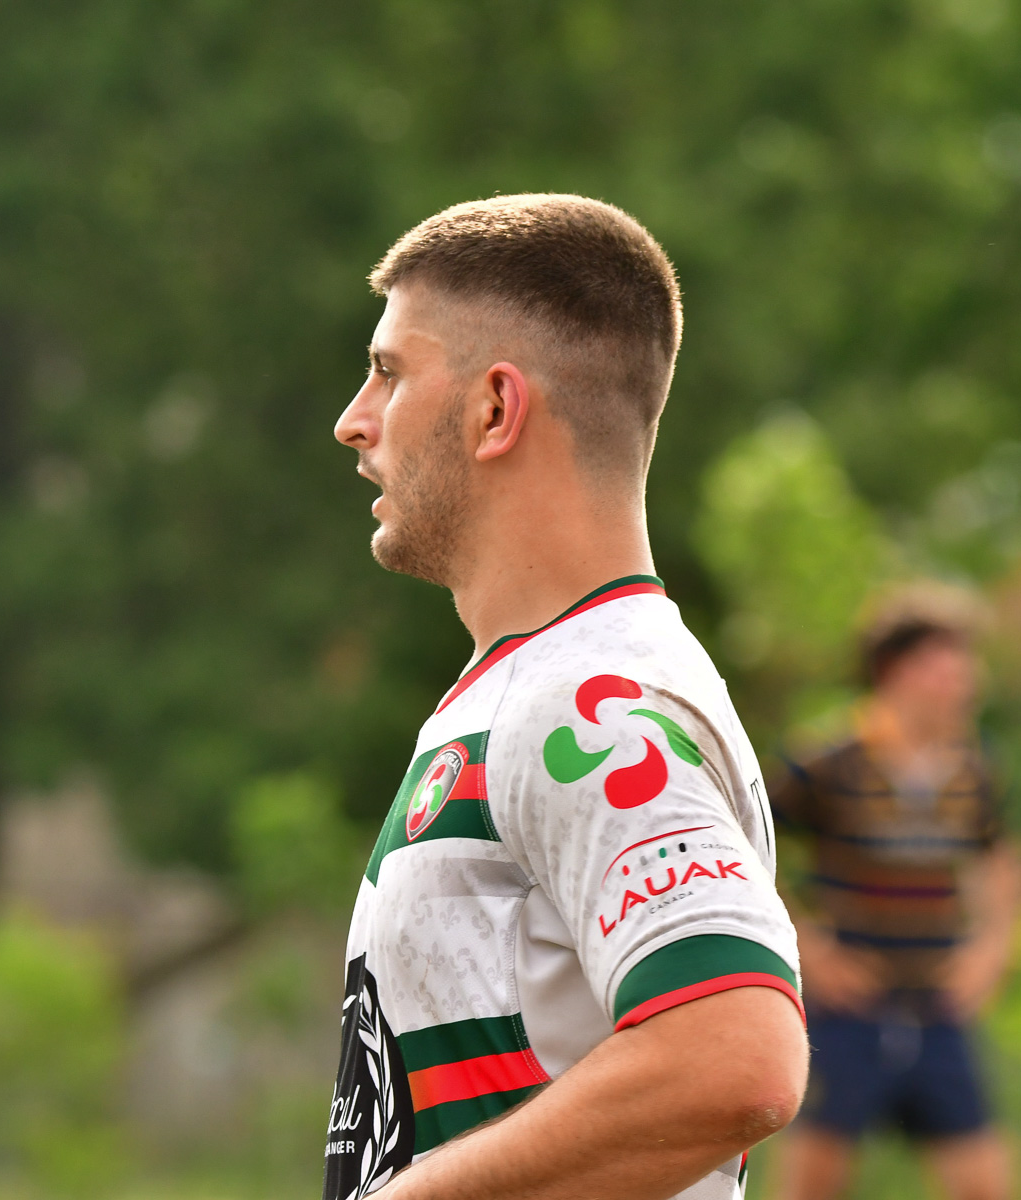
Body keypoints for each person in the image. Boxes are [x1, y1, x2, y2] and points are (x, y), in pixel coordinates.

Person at [324, 195, 807, 1200]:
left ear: (495, 408)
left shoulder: (590, 701)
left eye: (388, 373)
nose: (352, 421)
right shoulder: (525, 688)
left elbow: (736, 1055)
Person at [768, 590, 1021, 1200]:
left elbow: (1006, 859)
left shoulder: (977, 767)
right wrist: (808, 947)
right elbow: (750, 849)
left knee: (986, 1185)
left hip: (939, 1009)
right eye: (948, 668)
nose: (967, 684)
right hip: (845, 1014)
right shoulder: (828, 759)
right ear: (897, 672)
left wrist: (994, 951)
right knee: (812, 1185)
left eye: (967, 667)